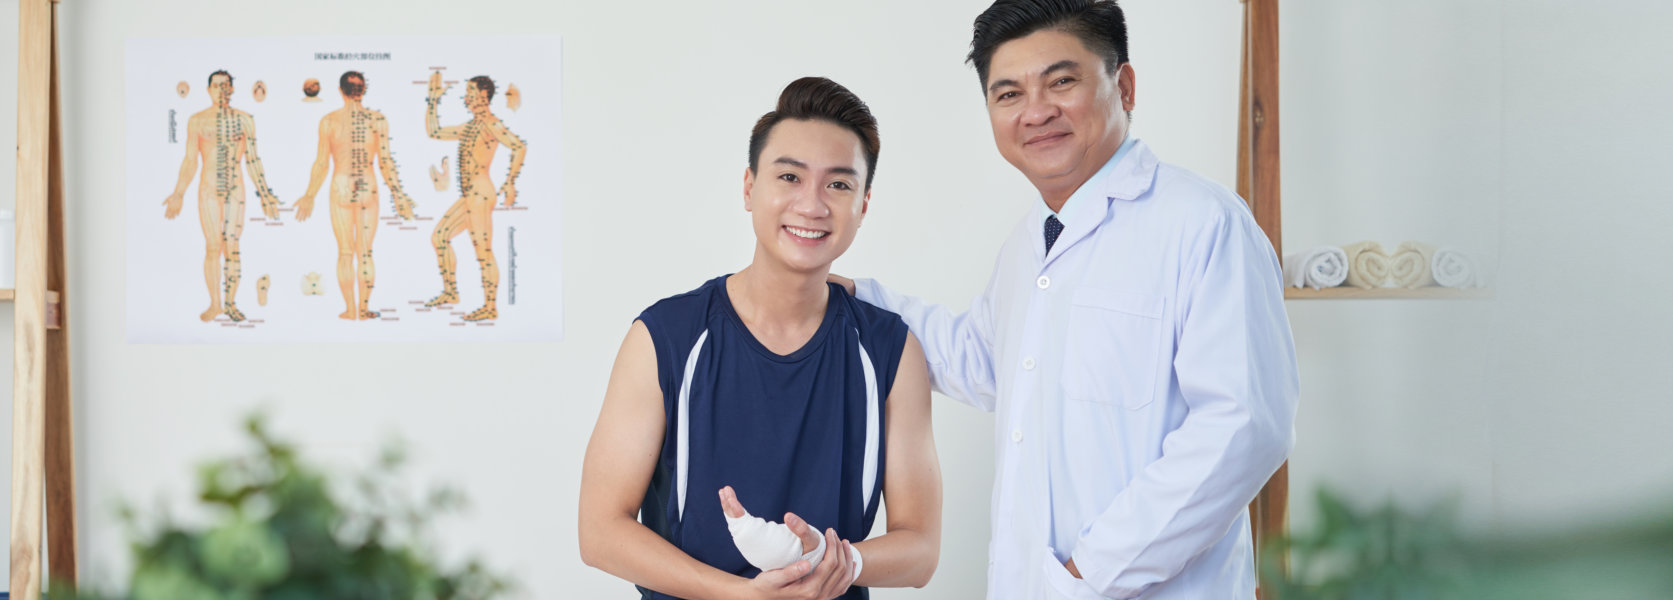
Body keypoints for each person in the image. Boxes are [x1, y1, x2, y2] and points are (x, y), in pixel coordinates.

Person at [839, 1, 1298, 597]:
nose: (1036, 112)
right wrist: (857, 297)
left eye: (1061, 81)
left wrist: (1089, 571)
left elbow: (1245, 426)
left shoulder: (1203, 224)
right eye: (1008, 94)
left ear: (1124, 85)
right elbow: (980, 359)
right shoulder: (1026, 246)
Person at [579, 77, 942, 600]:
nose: (812, 204)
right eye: (790, 176)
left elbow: (921, 550)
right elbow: (599, 531)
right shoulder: (665, 337)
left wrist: (833, 561)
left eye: (839, 185)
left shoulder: (890, 350)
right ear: (749, 188)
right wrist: (740, 594)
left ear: (864, 205)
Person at [293, 70, 419, 320]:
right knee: (365, 252)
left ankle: (351, 309)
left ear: (341, 91)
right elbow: (385, 162)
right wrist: (399, 195)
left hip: (340, 185)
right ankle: (363, 308)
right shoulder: (378, 120)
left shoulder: (328, 121)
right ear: (363, 90)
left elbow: (321, 164)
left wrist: (309, 195)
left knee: (345, 253)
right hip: (367, 187)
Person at [163, 69, 282, 323]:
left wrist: (265, 194)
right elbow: (190, 160)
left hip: (234, 189)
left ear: (232, 89)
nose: (222, 90)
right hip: (207, 190)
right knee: (212, 246)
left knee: (232, 248)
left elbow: (252, 160)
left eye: (226, 85)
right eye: (217, 86)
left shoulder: (245, 120)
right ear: (208, 90)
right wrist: (178, 193)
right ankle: (215, 304)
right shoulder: (197, 120)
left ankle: (230, 303)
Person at [423, 72, 527, 321]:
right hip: (469, 195)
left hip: (481, 193)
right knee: (440, 237)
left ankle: (490, 306)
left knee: (483, 251)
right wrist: (433, 101)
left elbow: (518, 146)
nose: (466, 98)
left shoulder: (491, 124)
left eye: (470, 92)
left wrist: (510, 182)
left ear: (483, 95)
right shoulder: (470, 126)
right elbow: (434, 132)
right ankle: (451, 292)